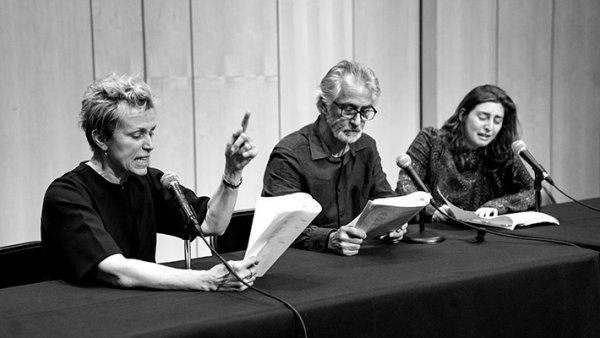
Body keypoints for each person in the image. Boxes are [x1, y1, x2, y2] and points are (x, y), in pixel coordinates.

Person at [41, 74, 259, 291]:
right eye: (137, 135)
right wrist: (205, 280)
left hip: (143, 306)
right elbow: (117, 271)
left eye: (151, 132)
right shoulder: (66, 195)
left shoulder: (148, 181)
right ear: (100, 138)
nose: (150, 145)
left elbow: (212, 224)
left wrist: (232, 171)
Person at [262, 60, 406, 256]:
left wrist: (393, 224)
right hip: (302, 265)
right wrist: (328, 238)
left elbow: (385, 200)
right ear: (323, 105)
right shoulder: (290, 153)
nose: (357, 122)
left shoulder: (367, 147)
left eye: (365, 112)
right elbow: (279, 226)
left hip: (357, 259)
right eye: (348, 110)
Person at [396, 84, 535, 222]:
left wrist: (498, 206)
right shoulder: (431, 140)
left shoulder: (501, 151)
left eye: (497, 121)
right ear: (463, 115)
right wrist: (431, 211)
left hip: (483, 234)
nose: (489, 127)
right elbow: (405, 186)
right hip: (436, 233)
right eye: (483, 117)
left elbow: (532, 191)